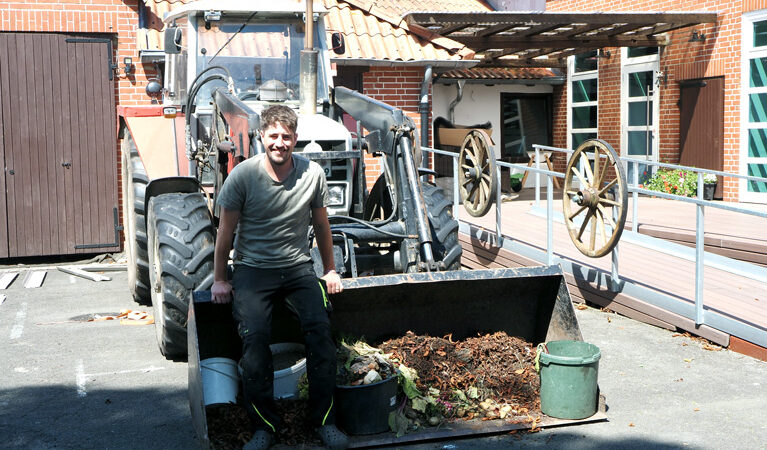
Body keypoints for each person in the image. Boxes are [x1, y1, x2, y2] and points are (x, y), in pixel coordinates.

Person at [211, 105, 348, 450]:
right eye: (273, 135)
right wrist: (219, 279)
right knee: (254, 340)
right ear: (262, 137)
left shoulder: (312, 173)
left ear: (295, 139)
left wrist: (329, 269)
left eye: (286, 136)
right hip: (252, 270)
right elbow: (225, 233)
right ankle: (264, 427)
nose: (280, 142)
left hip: (298, 268)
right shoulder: (242, 176)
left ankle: (323, 421)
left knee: (320, 332)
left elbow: (321, 226)